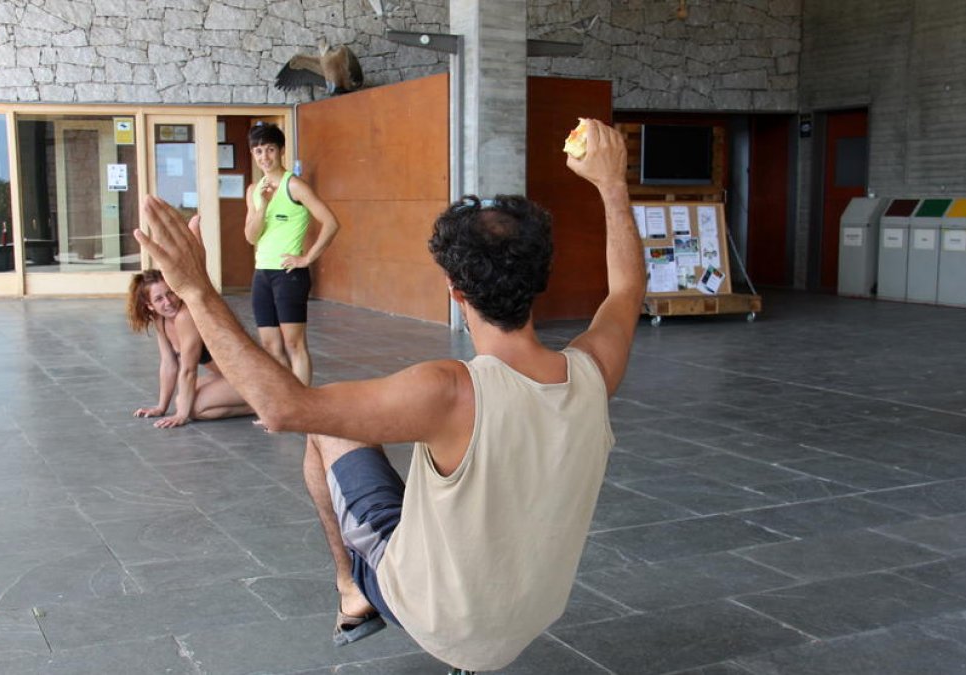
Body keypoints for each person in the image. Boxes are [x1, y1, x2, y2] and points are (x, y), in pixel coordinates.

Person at [135, 119, 643, 672]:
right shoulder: (593, 372)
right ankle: (360, 592)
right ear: (542, 275)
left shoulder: (449, 391)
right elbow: (626, 289)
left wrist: (195, 289)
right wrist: (611, 184)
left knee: (326, 423)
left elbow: (284, 409)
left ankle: (353, 591)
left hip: (443, 622)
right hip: (532, 613)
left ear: (454, 291)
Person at [244, 122, 340, 385]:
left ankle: (303, 408)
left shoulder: (294, 186)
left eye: (270, 150)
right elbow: (251, 236)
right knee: (270, 345)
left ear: (281, 151)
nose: (265, 157)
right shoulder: (254, 191)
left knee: (293, 344)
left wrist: (307, 259)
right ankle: (285, 404)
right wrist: (262, 206)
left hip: (289, 275)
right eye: (259, 151)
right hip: (262, 273)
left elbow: (331, 223)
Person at [126, 269, 254, 429]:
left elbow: (189, 370)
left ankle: (263, 405)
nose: (168, 302)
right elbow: (168, 364)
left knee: (193, 408)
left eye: (170, 293)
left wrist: (181, 415)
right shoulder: (161, 320)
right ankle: (258, 403)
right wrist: (161, 407)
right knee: (182, 401)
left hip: (249, 375)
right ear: (150, 306)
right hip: (225, 375)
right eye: (159, 299)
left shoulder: (185, 316)